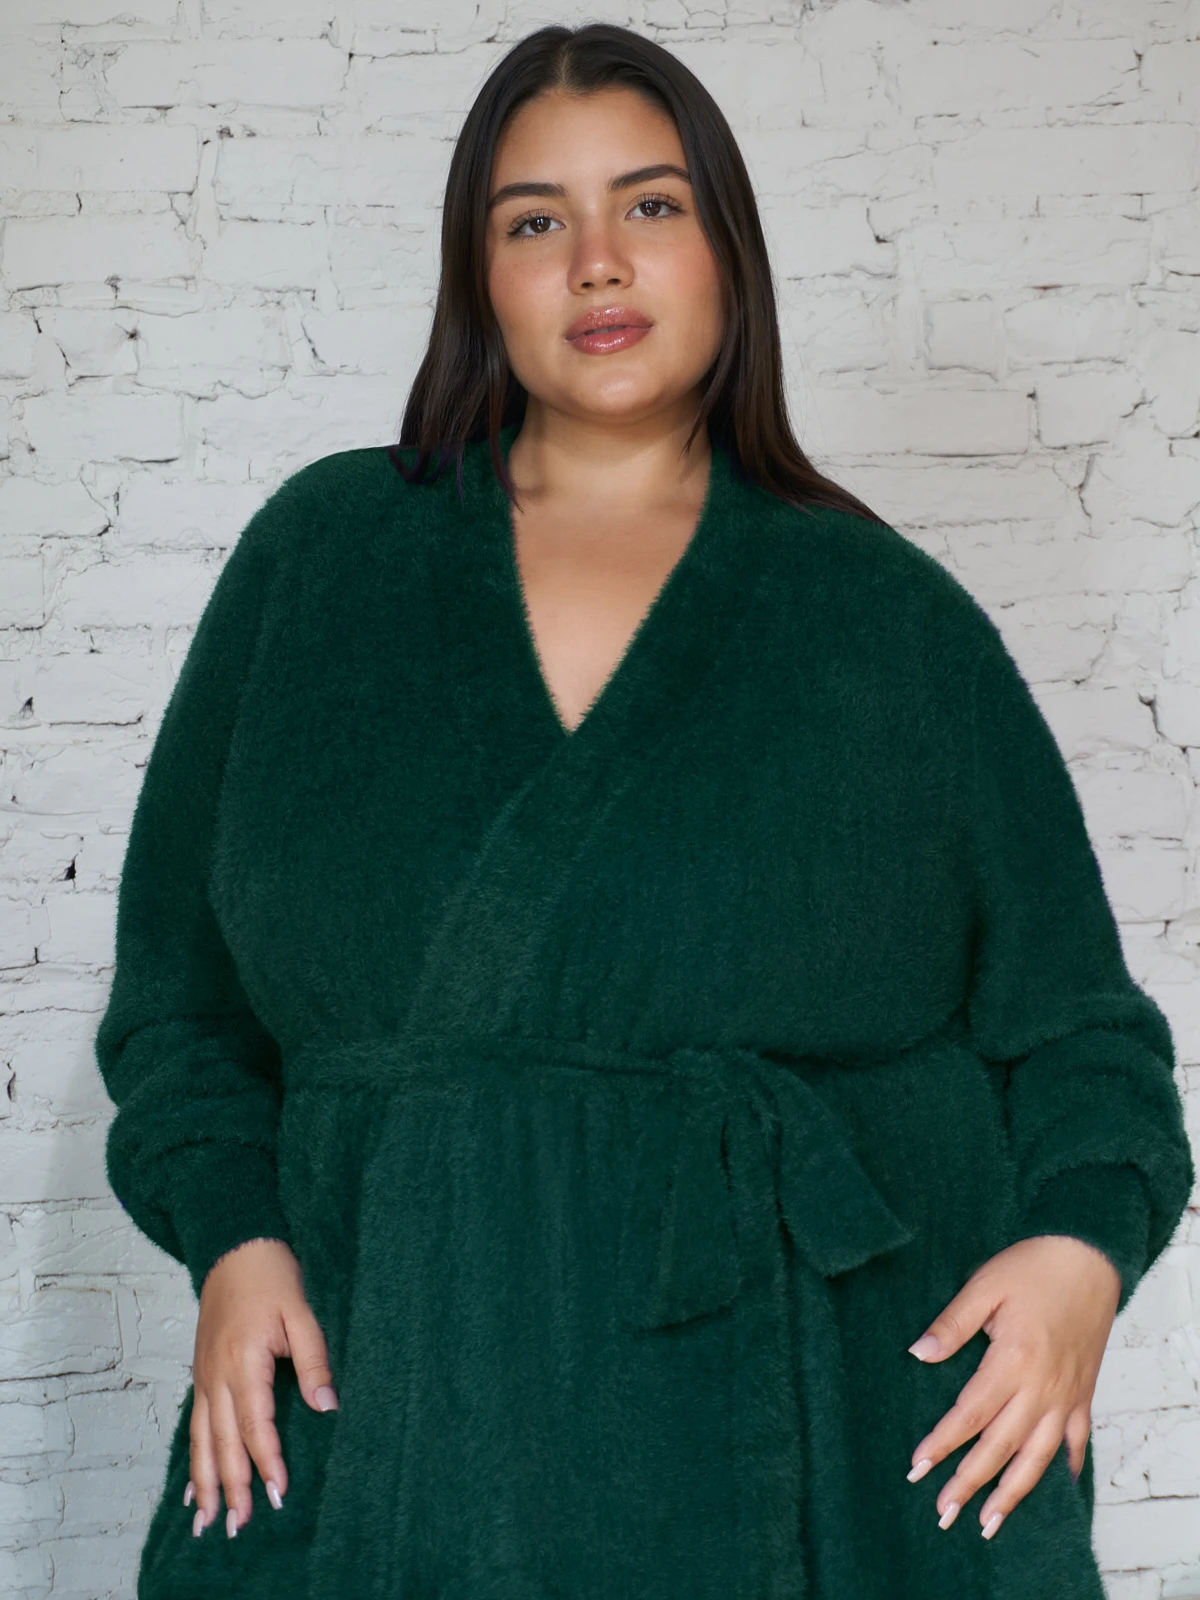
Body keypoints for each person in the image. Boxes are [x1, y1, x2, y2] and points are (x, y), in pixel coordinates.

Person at [94, 21, 1194, 1600]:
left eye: (652, 205)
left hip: (827, 1429)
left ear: (726, 247)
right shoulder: (321, 561)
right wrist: (232, 1237)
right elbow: (179, 1010)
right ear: (479, 275)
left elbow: (1085, 1040)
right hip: (389, 1392)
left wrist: (1081, 1253)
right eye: (533, 220)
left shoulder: (890, 621)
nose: (596, 261)